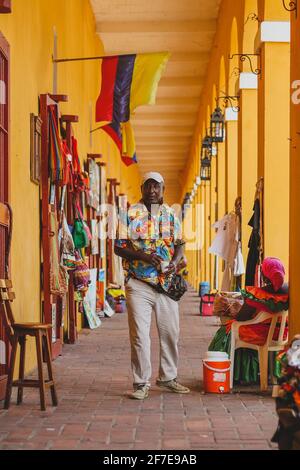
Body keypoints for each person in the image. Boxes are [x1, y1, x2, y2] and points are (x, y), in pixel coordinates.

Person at [114, 172, 190, 400]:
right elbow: (118, 247)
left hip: (166, 284)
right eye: (148, 186)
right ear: (142, 188)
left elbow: (180, 245)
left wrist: (175, 263)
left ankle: (167, 378)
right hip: (139, 283)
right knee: (139, 335)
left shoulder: (170, 215)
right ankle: (141, 383)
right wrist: (146, 257)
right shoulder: (129, 214)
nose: (152, 191)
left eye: (156, 186)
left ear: (163, 189)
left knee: (170, 333)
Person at [209, 257, 289, 384]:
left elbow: (242, 317)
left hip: (261, 336)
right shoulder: (291, 290)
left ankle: (232, 374)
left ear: (264, 276)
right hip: (283, 334)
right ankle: (271, 374)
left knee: (227, 330)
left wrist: (234, 309)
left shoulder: (258, 294)